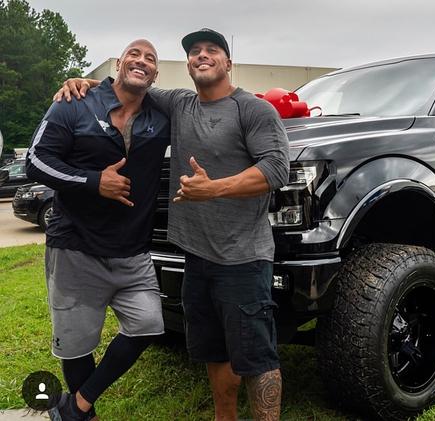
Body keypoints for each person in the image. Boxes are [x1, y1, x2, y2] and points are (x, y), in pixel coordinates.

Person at [55, 28, 290, 420]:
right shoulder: (179, 103)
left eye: (212, 49)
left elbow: (277, 169)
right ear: (188, 64)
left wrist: (214, 189)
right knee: (214, 351)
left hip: (243, 259)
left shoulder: (252, 109)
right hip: (196, 258)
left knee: (257, 357)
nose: (202, 55)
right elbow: (131, 85)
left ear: (229, 63)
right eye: (195, 51)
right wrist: (85, 82)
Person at [29, 39, 170, 421]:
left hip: (132, 253)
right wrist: (93, 181)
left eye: (150, 58)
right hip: (76, 247)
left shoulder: (161, 117)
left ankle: (75, 406)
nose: (141, 60)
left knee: (148, 325)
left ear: (155, 75)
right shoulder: (74, 103)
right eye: (134, 54)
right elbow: (36, 160)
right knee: (77, 345)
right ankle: (85, 416)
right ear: (119, 63)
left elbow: (209, 110)